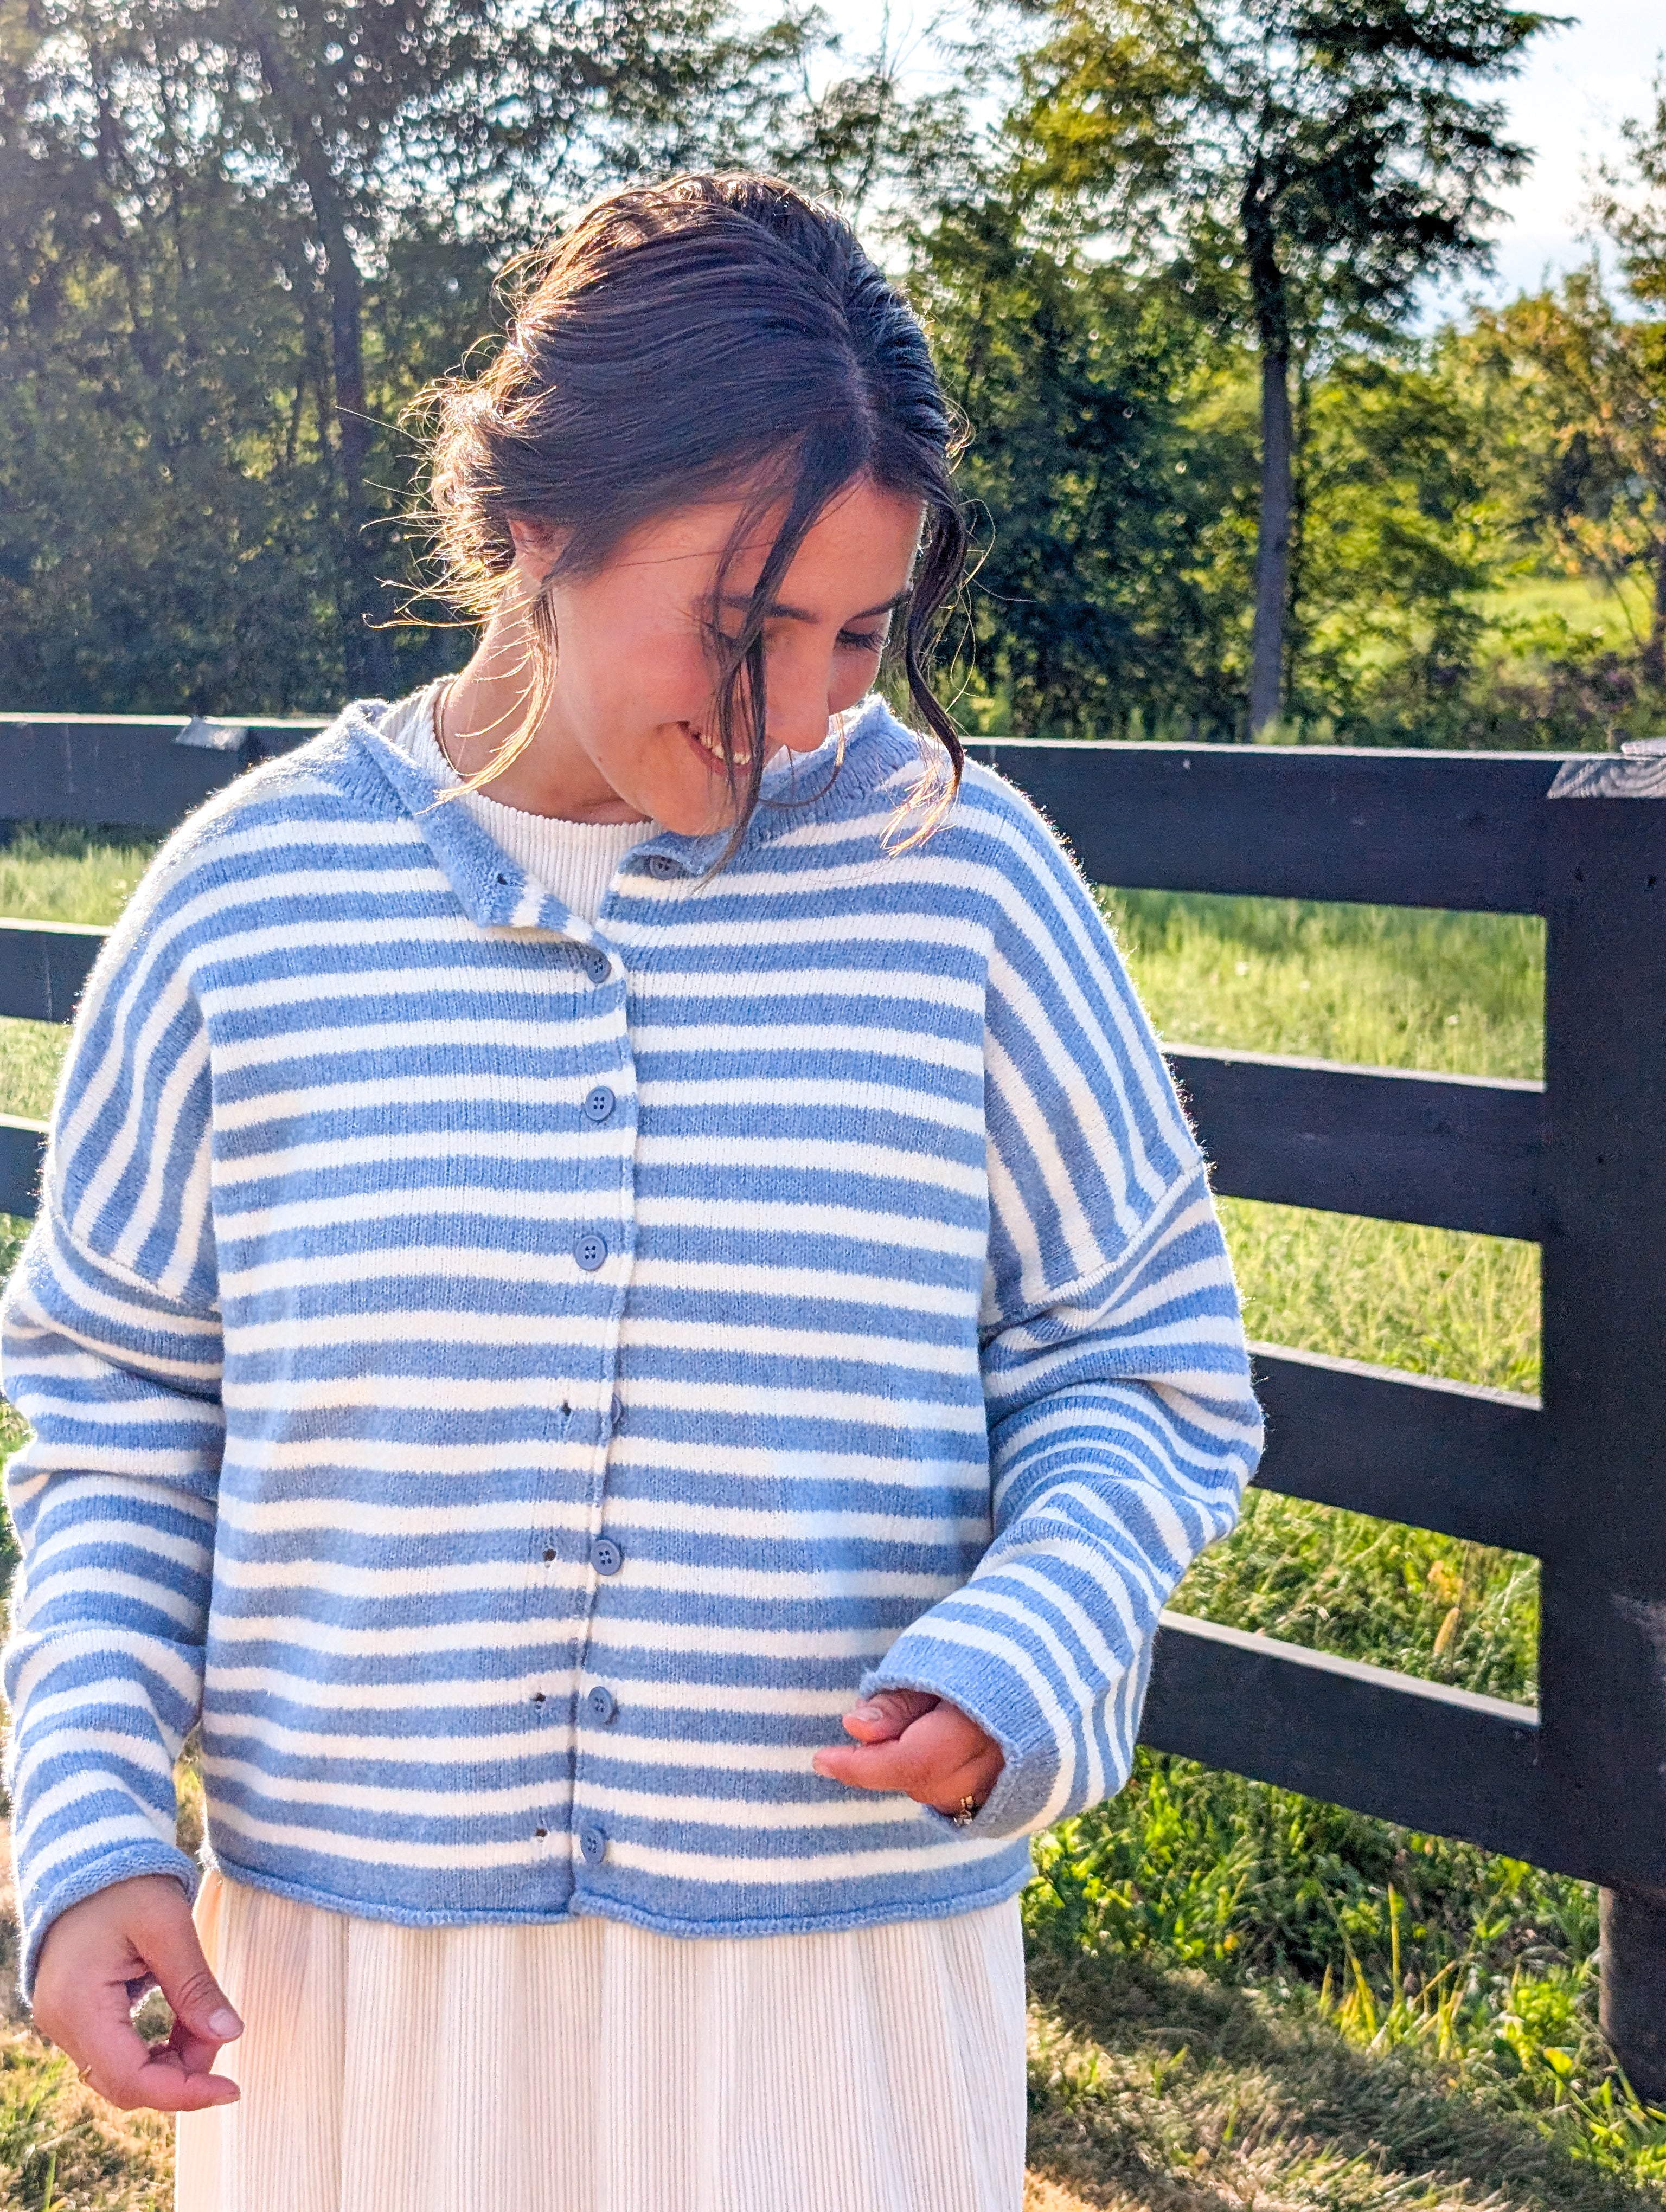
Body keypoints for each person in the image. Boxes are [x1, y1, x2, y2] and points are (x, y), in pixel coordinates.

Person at [1, 171, 1263, 2212]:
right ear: (538, 532)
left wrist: (1038, 1639)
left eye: (865, 634)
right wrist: (85, 1834)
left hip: (835, 2000)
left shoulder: (968, 888)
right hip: (359, 2010)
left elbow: (1147, 1363)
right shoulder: (246, 906)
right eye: (749, 629)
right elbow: (122, 1429)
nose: (809, 711)